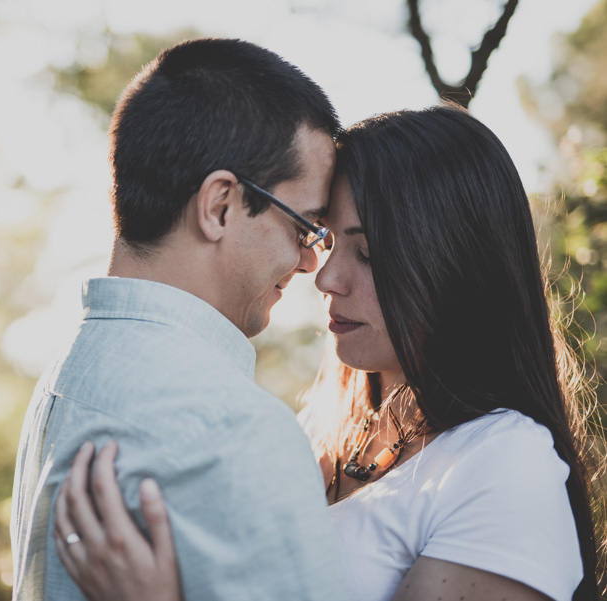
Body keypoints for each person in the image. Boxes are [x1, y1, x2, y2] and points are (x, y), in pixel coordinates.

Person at [51, 105, 601, 601]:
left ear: (455, 265)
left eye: (366, 252)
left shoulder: (505, 462)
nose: (327, 279)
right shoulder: (317, 432)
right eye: (325, 242)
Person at [10, 37, 349, 601]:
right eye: (305, 226)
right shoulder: (239, 432)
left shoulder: (64, 382)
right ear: (221, 205)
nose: (313, 262)